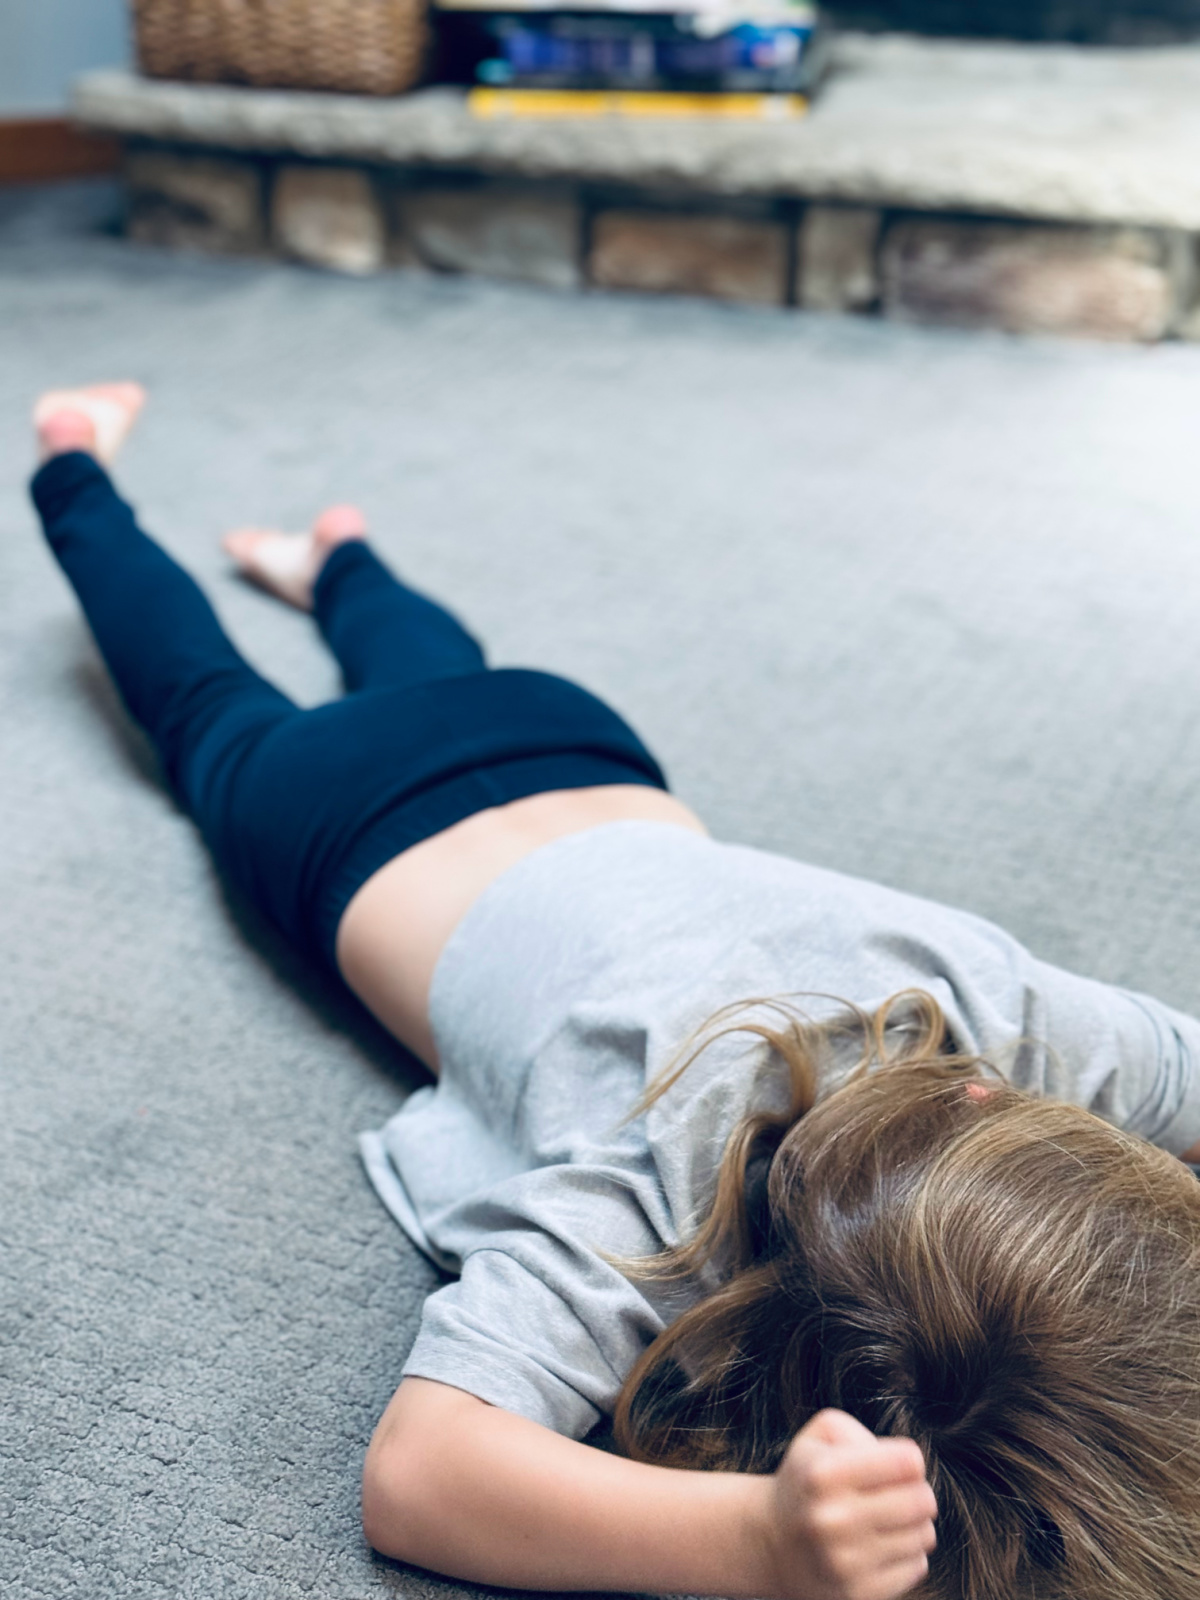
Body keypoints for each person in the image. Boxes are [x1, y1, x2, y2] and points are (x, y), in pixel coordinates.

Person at [29, 384, 1200, 1600]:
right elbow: (420, 1475)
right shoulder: (653, 1202)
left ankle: (337, 558)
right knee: (203, 703)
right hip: (342, 818)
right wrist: (754, 1540)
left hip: (563, 736)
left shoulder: (1003, 1015)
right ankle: (82, 470)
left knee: (433, 668)